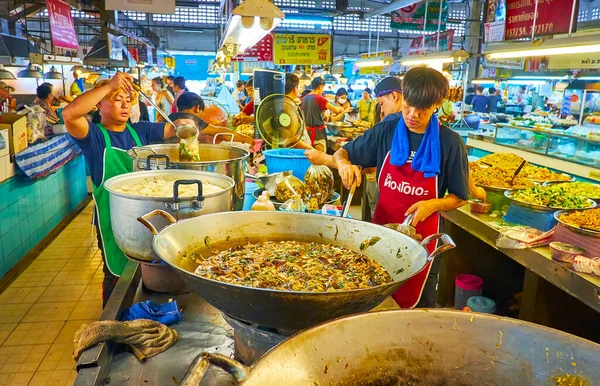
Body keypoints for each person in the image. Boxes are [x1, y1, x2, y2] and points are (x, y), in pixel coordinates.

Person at [334, 67, 469, 309]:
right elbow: (342, 152)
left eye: (423, 109)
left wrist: (433, 204)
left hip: (422, 243)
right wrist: (344, 164)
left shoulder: (450, 142)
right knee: (374, 302)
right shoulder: (387, 129)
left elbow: (460, 197)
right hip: (380, 235)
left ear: (437, 104)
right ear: (402, 95)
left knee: (417, 312)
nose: (412, 114)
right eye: (408, 105)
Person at [62, 72, 194, 307]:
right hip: (114, 219)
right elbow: (70, 113)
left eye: (127, 100)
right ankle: (112, 326)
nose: (124, 105)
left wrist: (184, 124)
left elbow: (173, 129)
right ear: (99, 104)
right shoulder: (94, 137)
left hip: (146, 216)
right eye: (116, 99)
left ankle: (144, 312)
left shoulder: (140, 131)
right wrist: (109, 85)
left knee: (146, 274)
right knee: (118, 279)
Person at [169, 92, 253, 145]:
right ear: (197, 108)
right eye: (201, 112)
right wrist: (248, 140)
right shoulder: (190, 120)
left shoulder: (171, 117)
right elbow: (219, 132)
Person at [301, 77, 344, 151]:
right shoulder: (320, 99)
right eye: (323, 87)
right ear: (320, 86)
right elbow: (336, 110)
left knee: (310, 157)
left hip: (308, 134)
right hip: (319, 134)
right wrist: (343, 109)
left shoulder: (304, 99)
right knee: (320, 158)